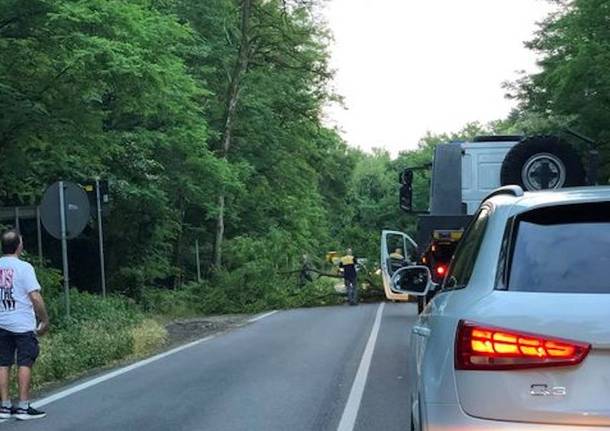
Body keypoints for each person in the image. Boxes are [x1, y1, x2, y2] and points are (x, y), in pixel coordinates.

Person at [0, 230, 49, 421]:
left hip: (1, 323)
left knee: (3, 363)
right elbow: (35, 297)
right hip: (22, 324)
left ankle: (4, 406)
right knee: (25, 362)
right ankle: (23, 406)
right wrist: (44, 319)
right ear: (19, 245)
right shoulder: (24, 268)